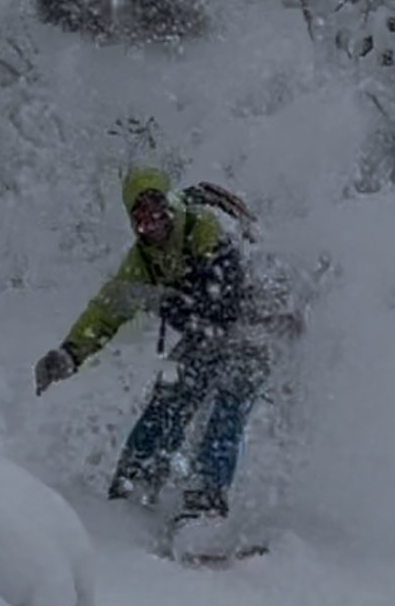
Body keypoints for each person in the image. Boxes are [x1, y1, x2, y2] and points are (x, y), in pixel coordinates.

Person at [33, 166, 273, 549]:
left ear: (169, 205)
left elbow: (224, 299)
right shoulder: (142, 262)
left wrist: (168, 301)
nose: (151, 220)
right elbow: (107, 310)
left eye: (156, 206)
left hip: (256, 323)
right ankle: (136, 481)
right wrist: (69, 353)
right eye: (140, 214)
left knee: (229, 397)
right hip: (207, 331)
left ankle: (205, 505)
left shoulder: (204, 228)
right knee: (171, 397)